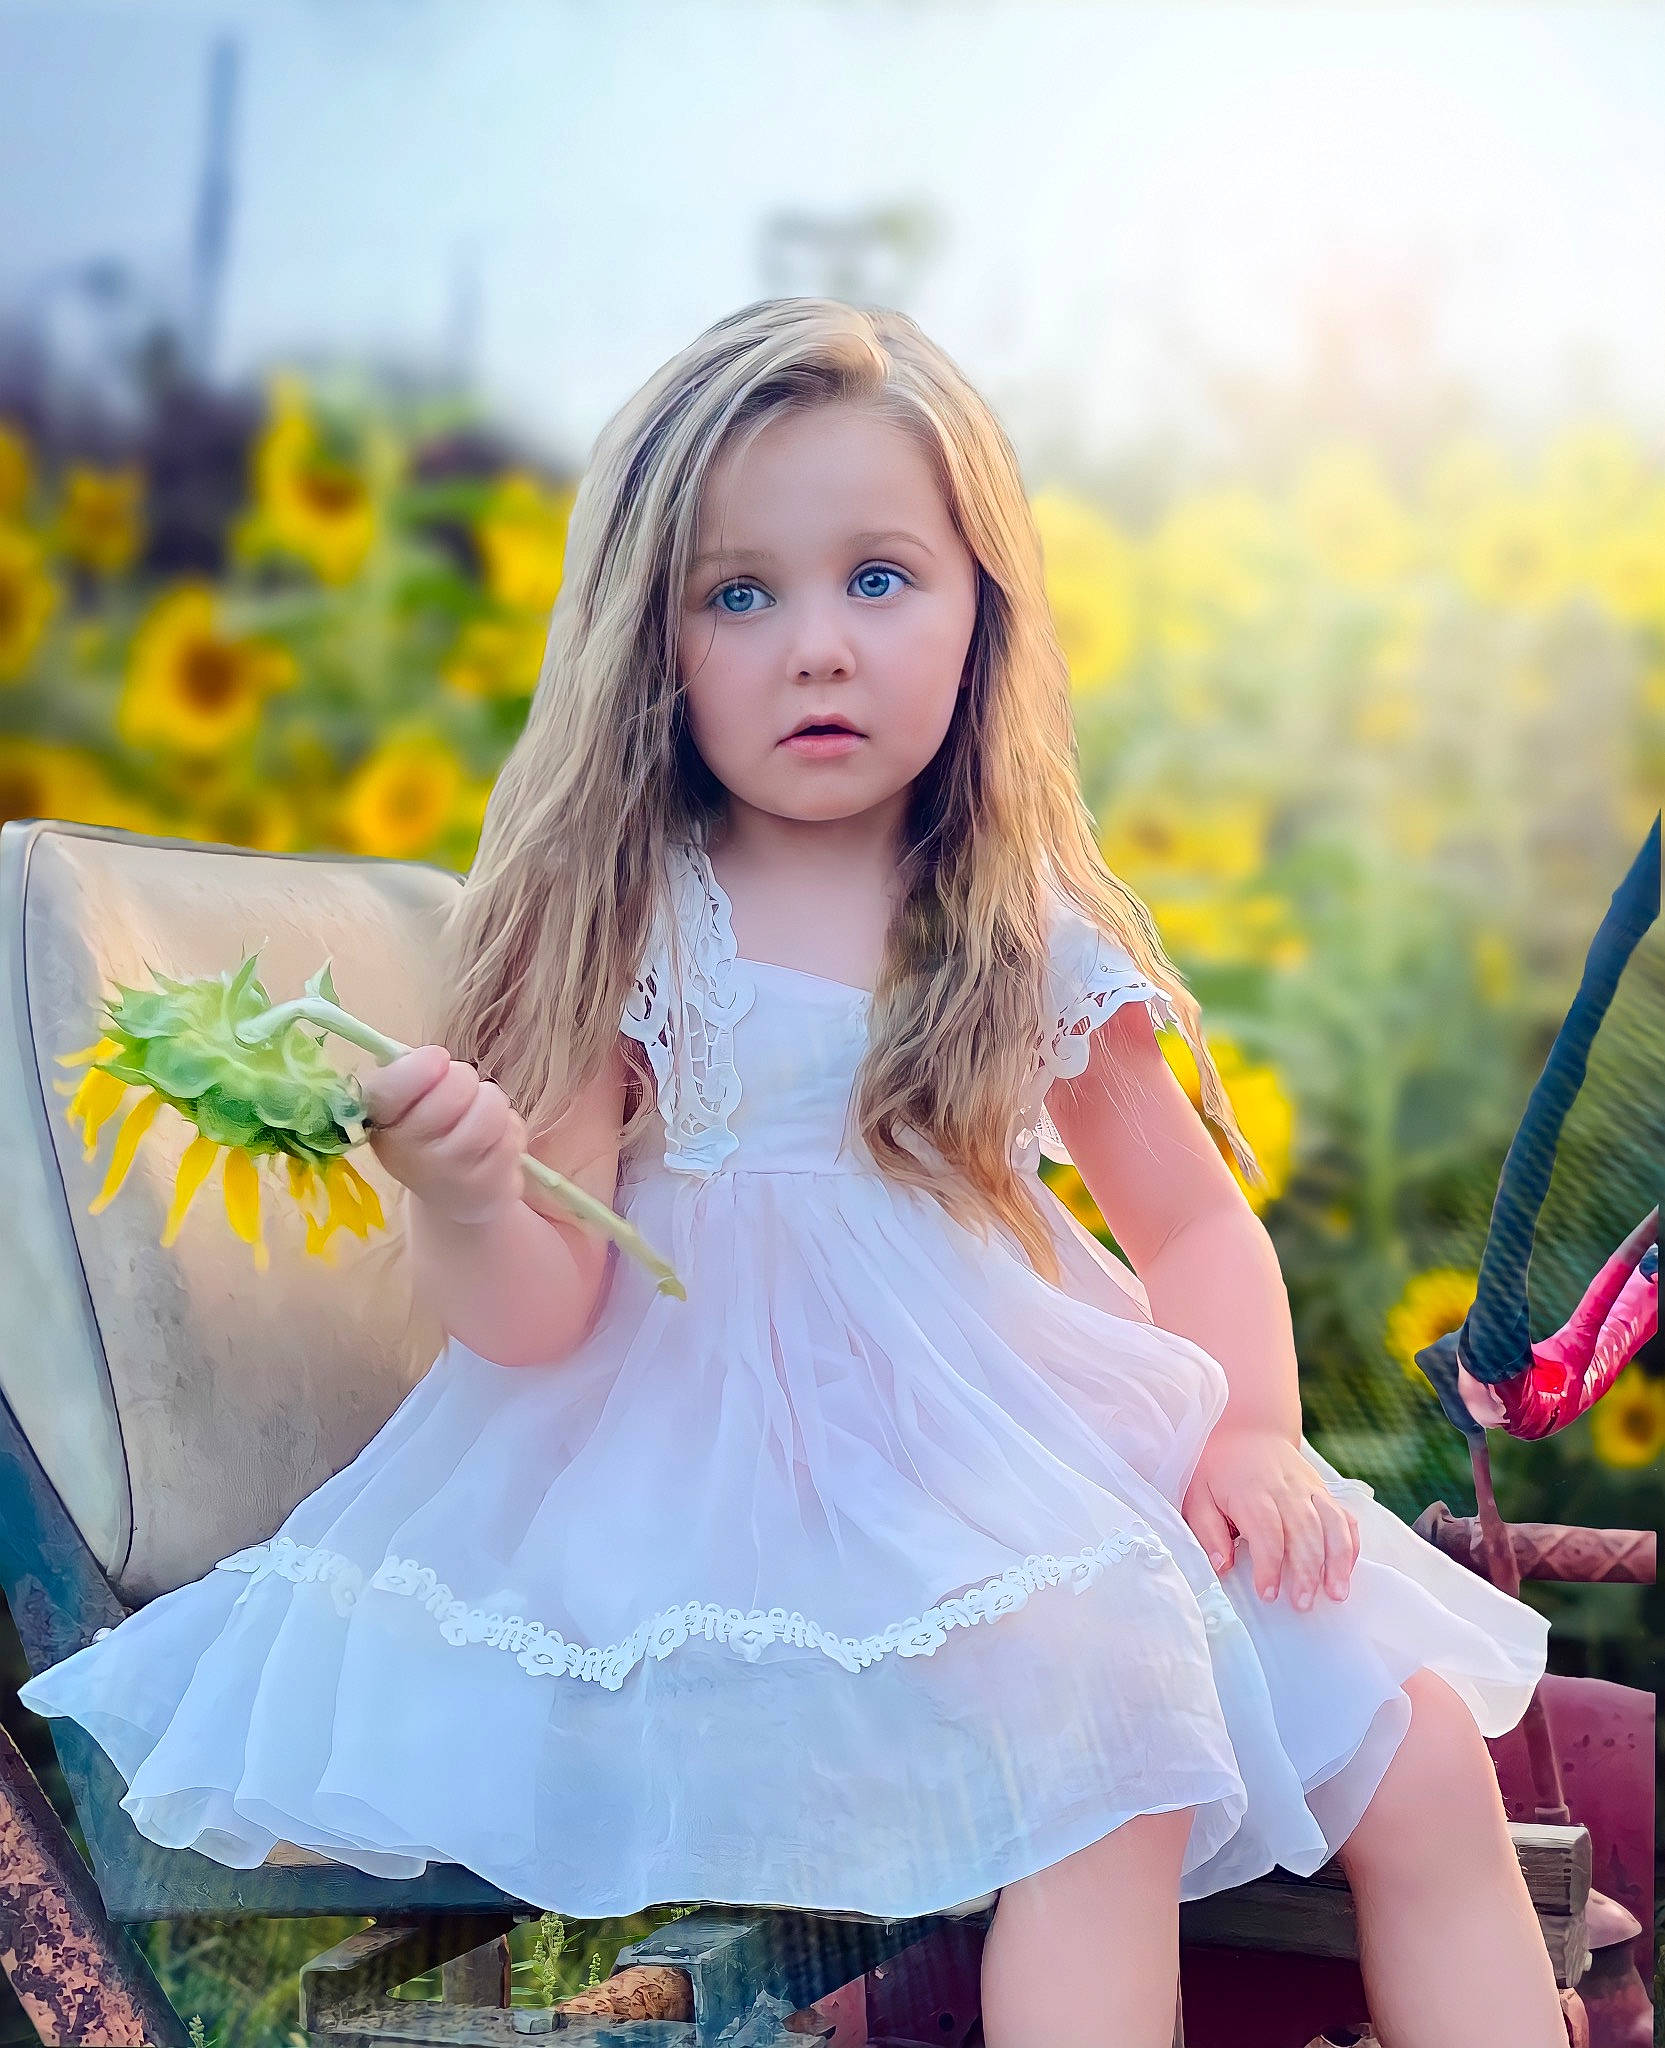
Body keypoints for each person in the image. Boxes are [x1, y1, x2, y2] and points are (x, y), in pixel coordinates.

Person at [18, 299, 1566, 2048]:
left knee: (1419, 1756)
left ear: (982, 610)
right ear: (648, 639)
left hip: (1018, 1462)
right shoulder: (631, 916)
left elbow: (1193, 1218)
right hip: (737, 1504)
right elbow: (537, 1316)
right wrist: (468, 1193)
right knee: (1110, 1739)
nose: (816, 649)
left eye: (879, 580)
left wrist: (1251, 1435)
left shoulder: (1008, 923)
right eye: (738, 596)